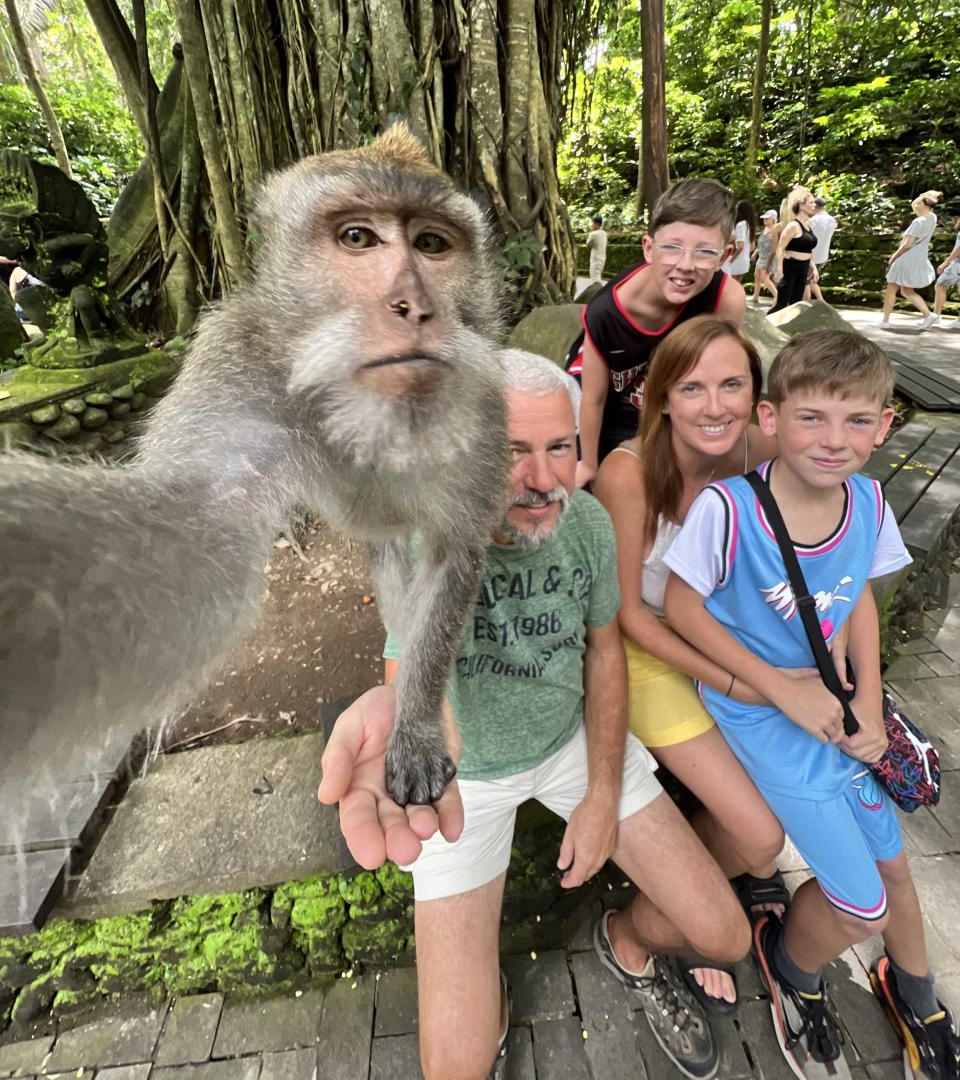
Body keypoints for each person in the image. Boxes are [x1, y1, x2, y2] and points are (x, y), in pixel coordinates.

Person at [319, 348, 751, 1080]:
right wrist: (410, 722)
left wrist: (605, 792)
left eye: (559, 448)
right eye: (512, 452)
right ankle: (487, 1010)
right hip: (466, 782)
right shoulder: (422, 536)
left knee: (726, 936)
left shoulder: (582, 521)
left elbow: (605, 649)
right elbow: (407, 661)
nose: (543, 478)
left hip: (569, 745)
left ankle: (628, 941)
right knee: (453, 1067)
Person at [663, 330, 960, 1080]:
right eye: (813, 418)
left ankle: (916, 991)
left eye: (858, 421)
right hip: (766, 716)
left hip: (833, 705)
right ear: (770, 417)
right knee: (861, 907)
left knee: (893, 862)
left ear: (885, 426)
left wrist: (863, 694)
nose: (836, 440)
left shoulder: (866, 499)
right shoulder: (730, 511)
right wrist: (777, 687)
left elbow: (858, 590)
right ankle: (792, 967)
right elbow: (683, 608)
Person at [594, 315, 791, 1015]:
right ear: (661, 398)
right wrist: (739, 681)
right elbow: (630, 618)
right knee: (761, 835)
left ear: (757, 395)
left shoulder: (762, 451)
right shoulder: (628, 474)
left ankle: (696, 895)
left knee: (771, 833)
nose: (715, 406)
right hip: (650, 655)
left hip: (724, 641)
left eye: (733, 384)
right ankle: (646, 930)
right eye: (694, 387)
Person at [566, 179, 746, 488]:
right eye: (672, 247)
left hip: (663, 401)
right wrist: (588, 465)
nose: (685, 265)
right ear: (649, 248)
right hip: (607, 400)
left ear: (725, 255)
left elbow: (723, 376)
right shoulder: (607, 311)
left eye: (704, 251)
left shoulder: (725, 299)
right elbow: (593, 399)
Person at [881, 191, 943, 330]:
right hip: (918, 257)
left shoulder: (918, 221)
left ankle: (885, 320)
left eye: (920, 202)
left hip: (907, 258)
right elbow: (914, 204)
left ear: (926, 205)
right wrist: (924, 196)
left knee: (891, 288)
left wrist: (894, 257)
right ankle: (928, 315)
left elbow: (907, 244)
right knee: (906, 290)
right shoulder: (932, 217)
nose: (916, 204)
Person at [771, 187, 818, 313]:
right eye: (811, 203)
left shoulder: (808, 225)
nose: (814, 205)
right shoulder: (793, 226)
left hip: (804, 267)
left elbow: (808, 249)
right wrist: (779, 268)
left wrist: (813, 267)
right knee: (782, 303)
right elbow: (780, 248)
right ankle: (765, 327)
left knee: (795, 303)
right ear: (801, 206)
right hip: (790, 266)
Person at [805, 196, 839, 303]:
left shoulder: (812, 221)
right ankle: (818, 301)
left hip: (811, 255)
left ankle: (817, 302)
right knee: (810, 280)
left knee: (807, 281)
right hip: (823, 254)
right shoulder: (832, 220)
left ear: (815, 206)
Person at [933, 222, 960, 330]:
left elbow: (958, 250)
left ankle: (936, 316)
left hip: (958, 263)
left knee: (940, 285)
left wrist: (945, 263)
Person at [722, 201, 755, 285]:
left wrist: (731, 259)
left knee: (730, 285)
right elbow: (752, 246)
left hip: (737, 260)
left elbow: (740, 246)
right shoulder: (749, 225)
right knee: (737, 285)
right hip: (745, 260)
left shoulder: (740, 225)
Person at [752, 210, 780, 305]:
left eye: (767, 218)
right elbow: (761, 243)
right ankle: (755, 296)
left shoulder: (775, 230)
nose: (764, 220)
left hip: (768, 258)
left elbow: (775, 247)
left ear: (773, 219)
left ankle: (777, 296)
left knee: (765, 278)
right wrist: (755, 253)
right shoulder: (765, 229)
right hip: (761, 257)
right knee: (757, 276)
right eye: (764, 218)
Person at [586, 213, 608, 285]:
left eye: (593, 223)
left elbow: (588, 244)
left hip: (595, 259)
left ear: (597, 224)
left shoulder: (593, 234)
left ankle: (598, 293)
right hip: (602, 258)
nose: (592, 225)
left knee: (595, 279)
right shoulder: (604, 233)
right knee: (598, 277)